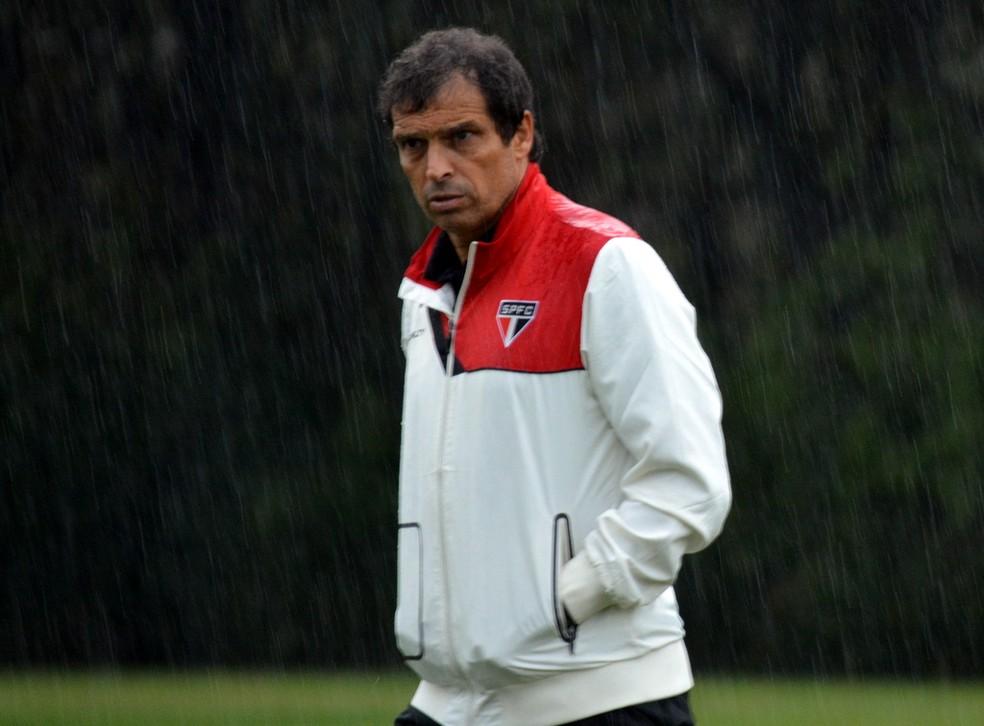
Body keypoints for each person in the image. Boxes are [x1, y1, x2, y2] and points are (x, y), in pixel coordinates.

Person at [377, 27, 731, 726]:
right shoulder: (422, 293)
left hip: (602, 699)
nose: (436, 167)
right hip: (452, 702)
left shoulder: (609, 265)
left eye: (462, 137)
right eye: (413, 146)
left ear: (522, 135)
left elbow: (690, 484)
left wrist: (567, 597)